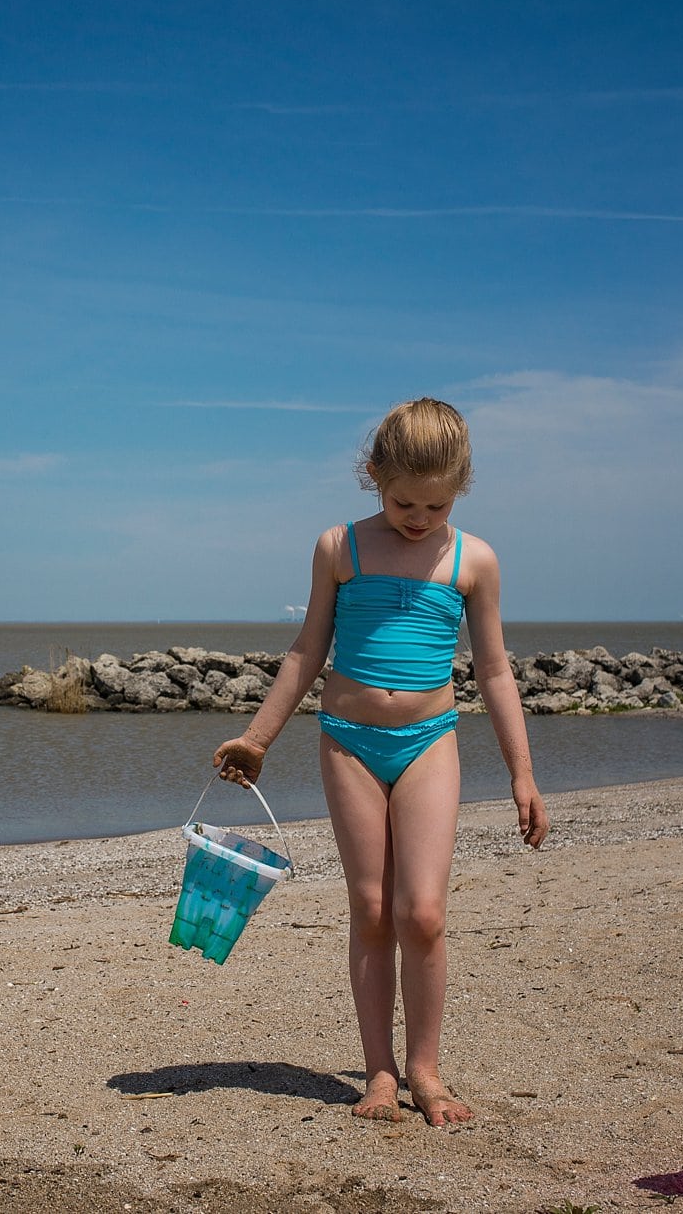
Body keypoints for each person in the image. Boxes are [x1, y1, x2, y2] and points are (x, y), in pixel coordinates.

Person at [212, 396, 549, 1127]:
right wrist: (258, 739)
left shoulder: (473, 559)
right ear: (372, 475)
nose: (419, 517)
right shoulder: (341, 547)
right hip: (348, 740)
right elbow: (308, 648)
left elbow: (493, 670)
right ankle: (380, 1073)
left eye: (437, 503)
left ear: (460, 487)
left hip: (430, 741)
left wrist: (521, 772)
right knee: (370, 907)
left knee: (421, 912)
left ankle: (426, 1068)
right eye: (403, 501)